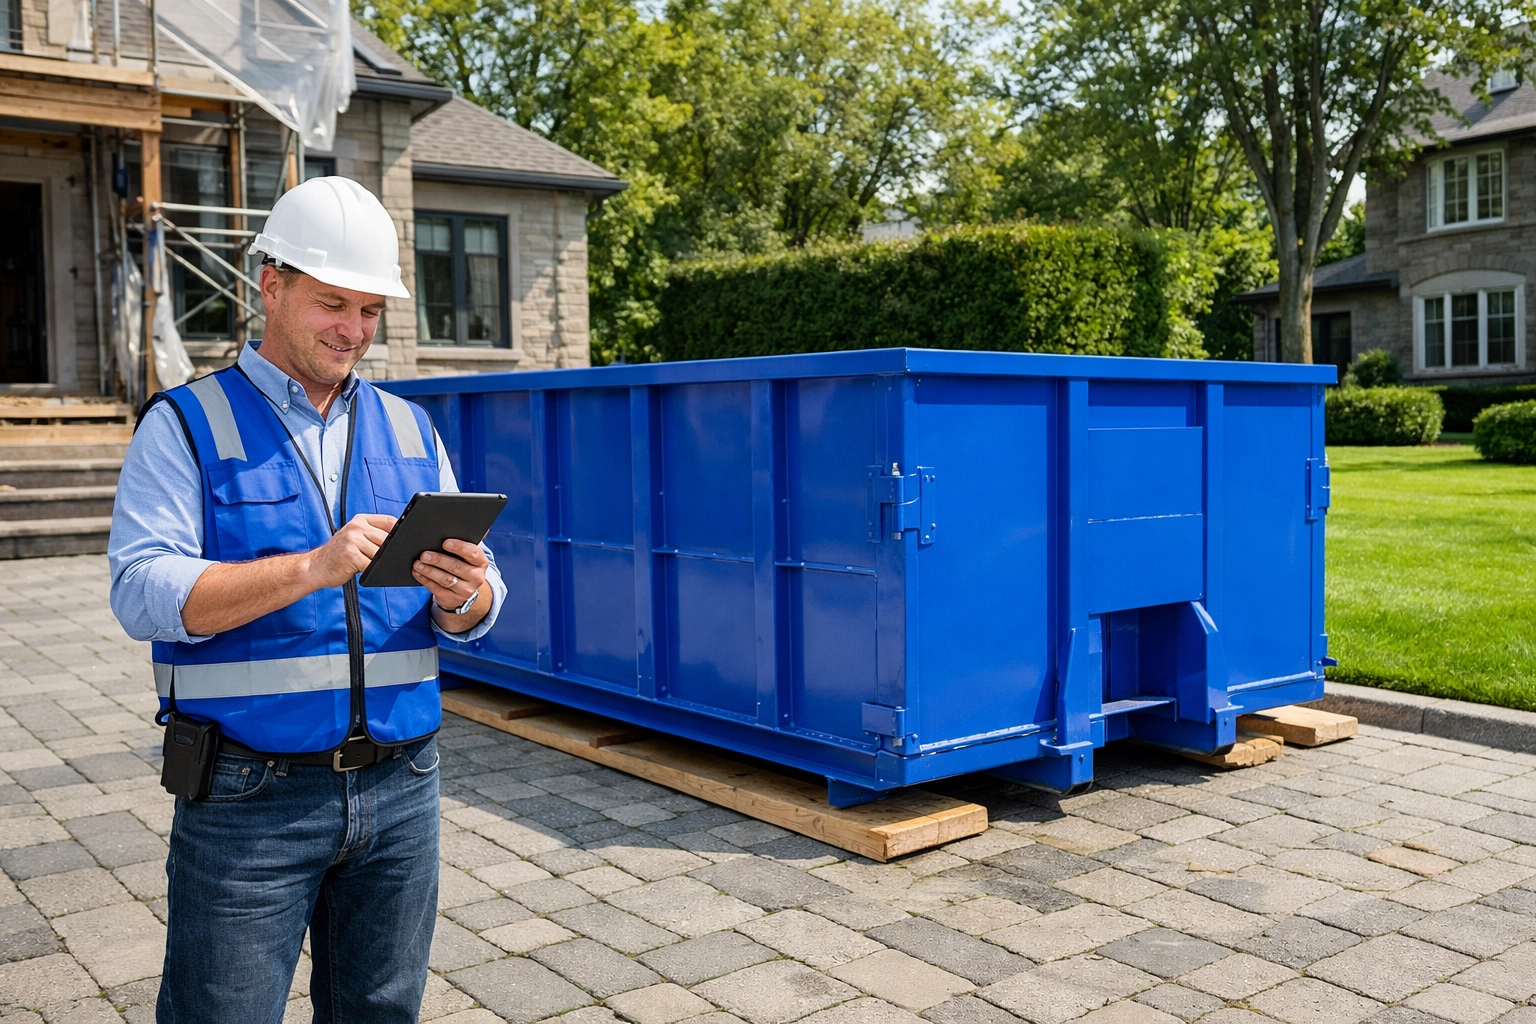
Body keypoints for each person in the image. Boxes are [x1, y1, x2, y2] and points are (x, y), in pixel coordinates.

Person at [108, 176, 505, 1024]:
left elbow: (476, 604)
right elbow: (141, 593)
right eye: (334, 303)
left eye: (370, 311)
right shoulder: (184, 426)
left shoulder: (410, 428)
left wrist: (467, 596)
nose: (354, 331)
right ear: (272, 286)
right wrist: (309, 568)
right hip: (248, 799)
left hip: (405, 789)